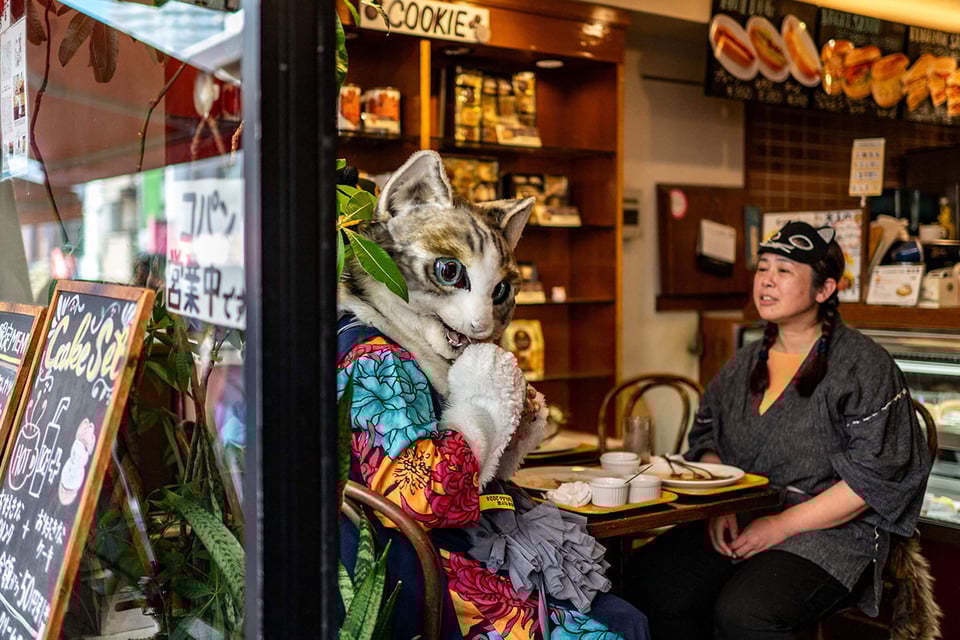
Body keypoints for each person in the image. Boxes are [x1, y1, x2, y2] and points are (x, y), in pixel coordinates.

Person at [626, 220, 932, 639]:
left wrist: (780, 526)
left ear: (824, 290)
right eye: (763, 268)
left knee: (744, 613)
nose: (766, 282)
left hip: (831, 534)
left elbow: (871, 480)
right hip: (741, 518)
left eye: (784, 271)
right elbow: (707, 441)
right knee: (647, 581)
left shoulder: (864, 365)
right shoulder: (743, 363)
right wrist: (721, 504)